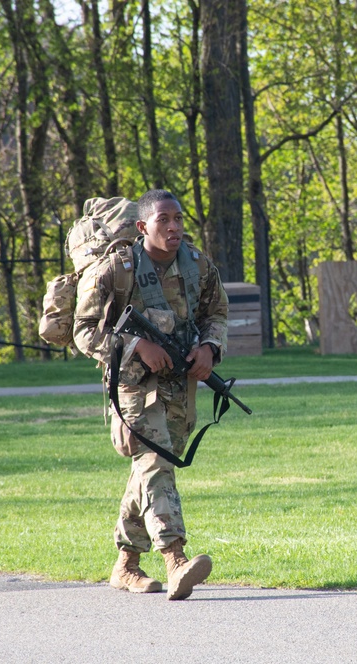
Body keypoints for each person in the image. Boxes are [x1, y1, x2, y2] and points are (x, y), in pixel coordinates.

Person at [73, 189, 228, 601]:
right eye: (164, 220)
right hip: (131, 386)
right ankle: (175, 559)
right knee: (157, 462)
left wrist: (209, 349)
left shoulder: (198, 265)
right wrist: (137, 345)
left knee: (147, 470)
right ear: (143, 227)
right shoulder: (116, 268)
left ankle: (125, 565)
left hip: (179, 385)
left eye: (178, 219)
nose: (174, 227)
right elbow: (84, 330)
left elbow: (216, 314)